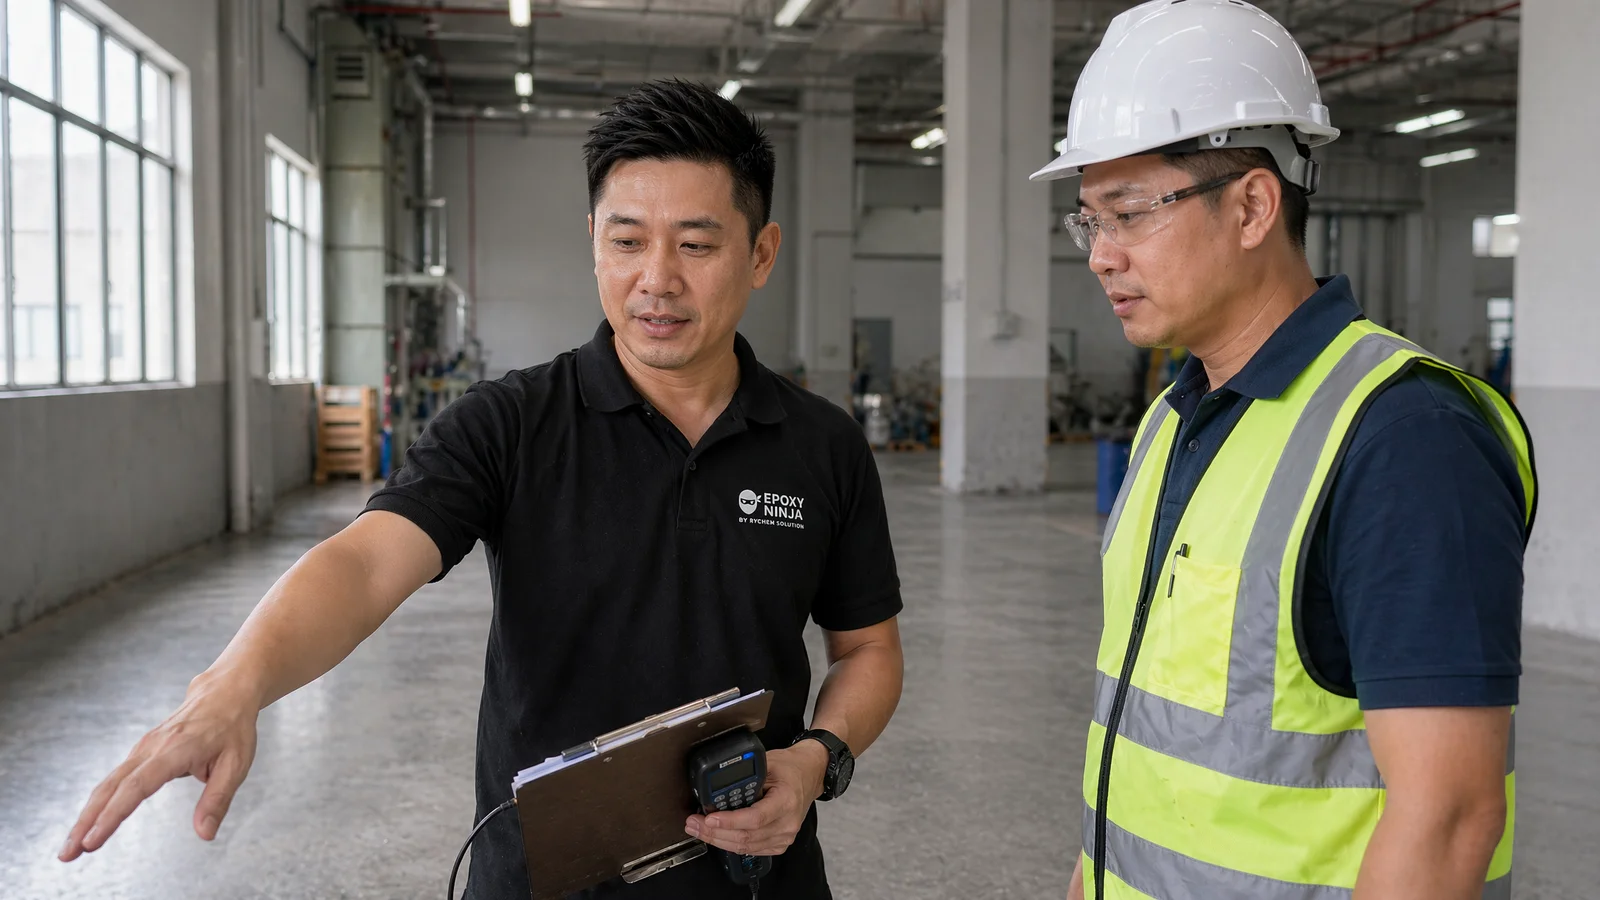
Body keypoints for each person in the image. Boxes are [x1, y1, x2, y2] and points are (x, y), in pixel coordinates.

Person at [58, 79, 905, 900]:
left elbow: (867, 649)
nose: (656, 278)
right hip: (541, 879)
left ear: (760, 253)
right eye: (625, 240)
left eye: (695, 243)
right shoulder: (510, 424)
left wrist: (816, 758)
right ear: (592, 242)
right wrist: (232, 688)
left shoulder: (821, 445)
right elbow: (363, 563)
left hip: (755, 878)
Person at [1030, 2, 1536, 899]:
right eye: (1089, 221)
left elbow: (1449, 818)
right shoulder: (1174, 418)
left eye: (1129, 213)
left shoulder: (1404, 438)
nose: (1101, 255)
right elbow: (1149, 750)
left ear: (1254, 205)